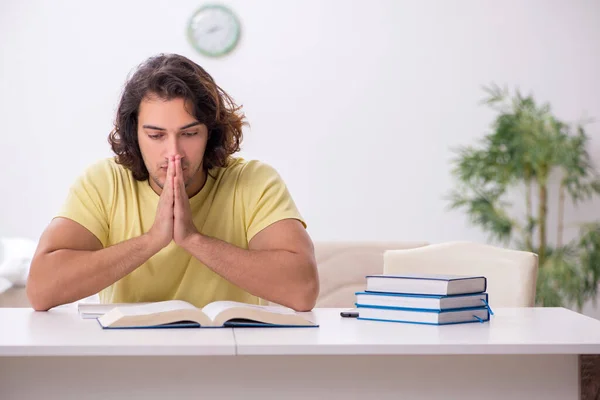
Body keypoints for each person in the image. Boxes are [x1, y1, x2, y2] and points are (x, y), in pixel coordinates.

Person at [26, 53, 319, 312]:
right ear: (134, 135)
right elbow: (41, 290)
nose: (174, 153)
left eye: (189, 134)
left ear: (210, 133)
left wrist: (193, 239)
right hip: (131, 360)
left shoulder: (253, 181)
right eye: (156, 136)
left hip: (230, 357)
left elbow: (303, 290)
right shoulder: (104, 182)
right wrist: (152, 240)